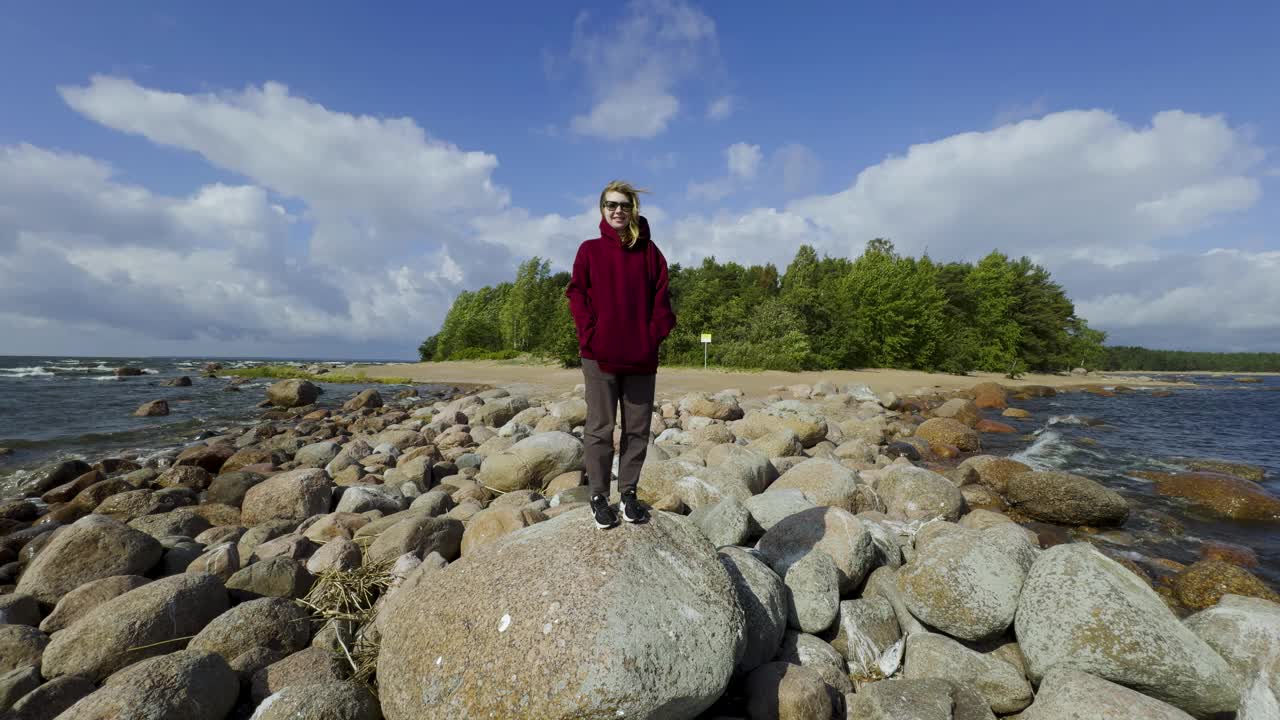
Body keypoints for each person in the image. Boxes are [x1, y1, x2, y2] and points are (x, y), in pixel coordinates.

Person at [565, 180, 677, 529]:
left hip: (641, 356)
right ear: (602, 210)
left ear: (633, 211)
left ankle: (628, 494)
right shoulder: (589, 250)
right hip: (598, 356)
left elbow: (663, 301)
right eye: (611, 205)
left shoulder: (650, 253)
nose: (617, 211)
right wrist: (590, 334)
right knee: (599, 428)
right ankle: (599, 497)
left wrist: (653, 336)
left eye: (624, 205)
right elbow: (576, 294)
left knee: (638, 430)